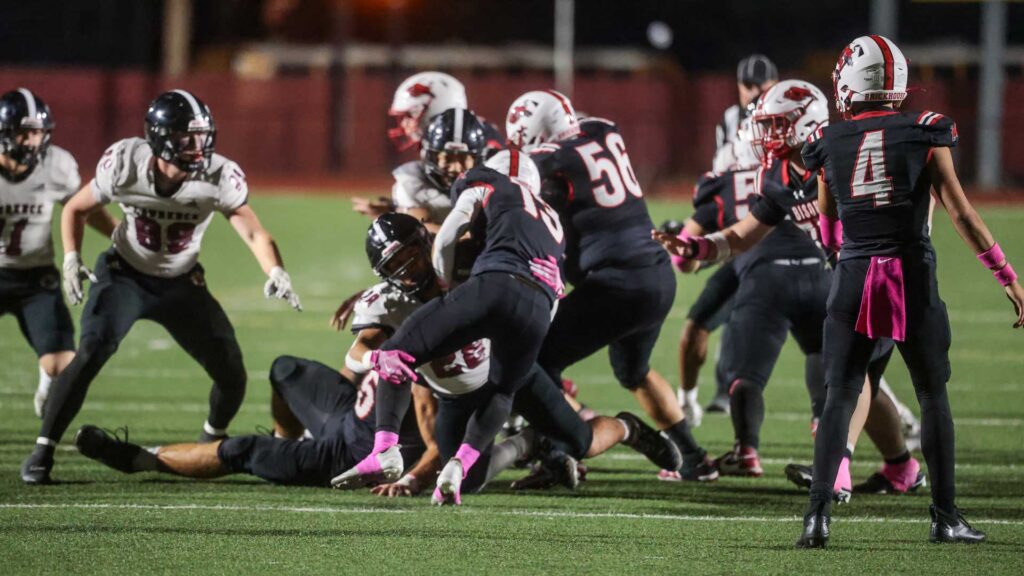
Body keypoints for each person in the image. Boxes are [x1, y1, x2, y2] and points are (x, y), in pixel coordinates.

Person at [791, 35, 1022, 547]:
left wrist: (842, 255)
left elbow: (829, 227)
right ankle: (944, 517)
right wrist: (1006, 275)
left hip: (853, 277)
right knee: (932, 394)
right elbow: (961, 213)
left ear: (852, 81)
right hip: (911, 276)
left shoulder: (828, 140)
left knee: (839, 398)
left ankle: (817, 518)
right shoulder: (925, 132)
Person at [20, 89, 302, 485]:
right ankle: (42, 449)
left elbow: (253, 230)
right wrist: (72, 257)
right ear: (160, 137)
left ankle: (209, 443)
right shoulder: (125, 162)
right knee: (91, 350)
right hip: (125, 274)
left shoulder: (218, 174)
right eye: (187, 137)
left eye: (202, 135)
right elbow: (76, 208)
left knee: (232, 374)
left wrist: (275, 270)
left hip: (182, 282)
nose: (198, 145)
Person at [334, 140, 566, 505]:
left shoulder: (486, 186)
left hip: (493, 287)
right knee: (505, 393)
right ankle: (461, 463)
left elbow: (446, 237)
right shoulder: (551, 220)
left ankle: (384, 449)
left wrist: (445, 283)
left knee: (397, 353)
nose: (409, 269)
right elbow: (555, 291)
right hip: (537, 309)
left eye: (411, 256)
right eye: (397, 266)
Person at [506, 90, 714, 481]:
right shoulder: (602, 130)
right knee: (633, 370)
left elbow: (529, 184)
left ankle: (558, 454)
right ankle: (694, 459)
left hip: (616, 287)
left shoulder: (549, 161)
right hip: (655, 275)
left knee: (536, 356)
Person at [0, 88, 116, 418]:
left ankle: (45, 382)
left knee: (61, 365)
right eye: (25, 133)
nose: (33, 142)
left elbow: (84, 209)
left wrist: (119, 235)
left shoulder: (56, 164)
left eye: (38, 133)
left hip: (35, 278)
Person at [352, 72, 503, 229]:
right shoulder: (463, 136)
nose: (405, 123)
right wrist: (397, 208)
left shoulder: (483, 145)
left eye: (412, 114)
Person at [714, 54, 778, 158]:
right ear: (739, 85)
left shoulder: (784, 113)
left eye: (761, 86)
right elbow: (720, 166)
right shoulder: (730, 117)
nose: (755, 92)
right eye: (748, 85)